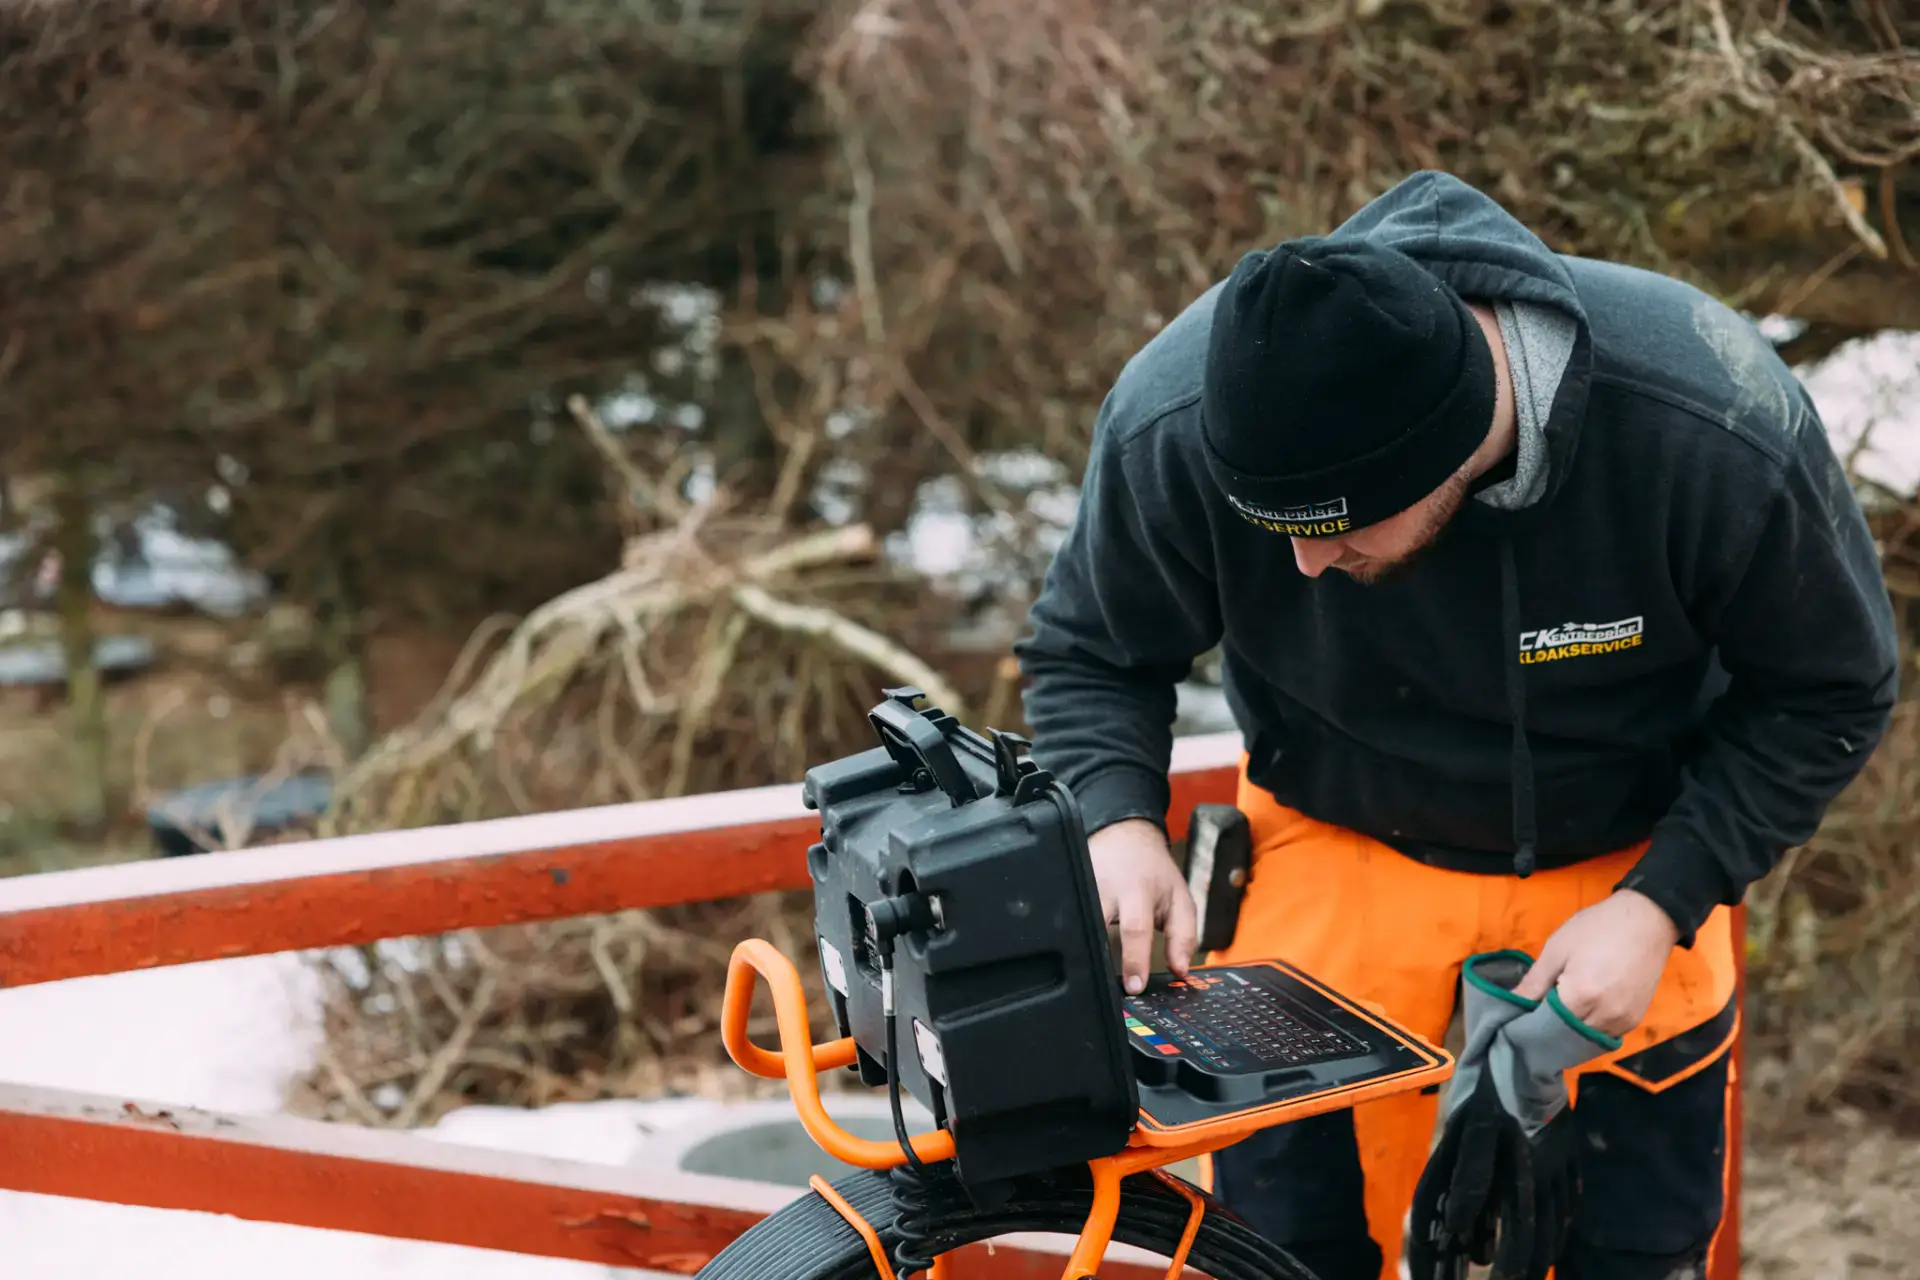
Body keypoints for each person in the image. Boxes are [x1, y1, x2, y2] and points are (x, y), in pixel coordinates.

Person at [1013, 170, 1899, 1280]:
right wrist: (1116, 819)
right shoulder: (1179, 416)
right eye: (1272, 528)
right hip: (1327, 873)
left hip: (1625, 887)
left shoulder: (1708, 422)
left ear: (1448, 444)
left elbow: (1831, 688)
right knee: (1287, 1254)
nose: (1302, 566)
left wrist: (1668, 896)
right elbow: (1090, 649)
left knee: (1627, 1250)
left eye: (1335, 527)